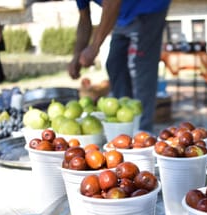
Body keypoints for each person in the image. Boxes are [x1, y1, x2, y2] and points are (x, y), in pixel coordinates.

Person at [69, 0, 171, 132]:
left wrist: (95, 47)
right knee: (114, 64)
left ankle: (143, 134)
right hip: (120, 16)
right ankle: (124, 126)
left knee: (140, 69)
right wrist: (77, 55)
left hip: (148, 8)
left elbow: (112, 3)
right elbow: (84, 18)